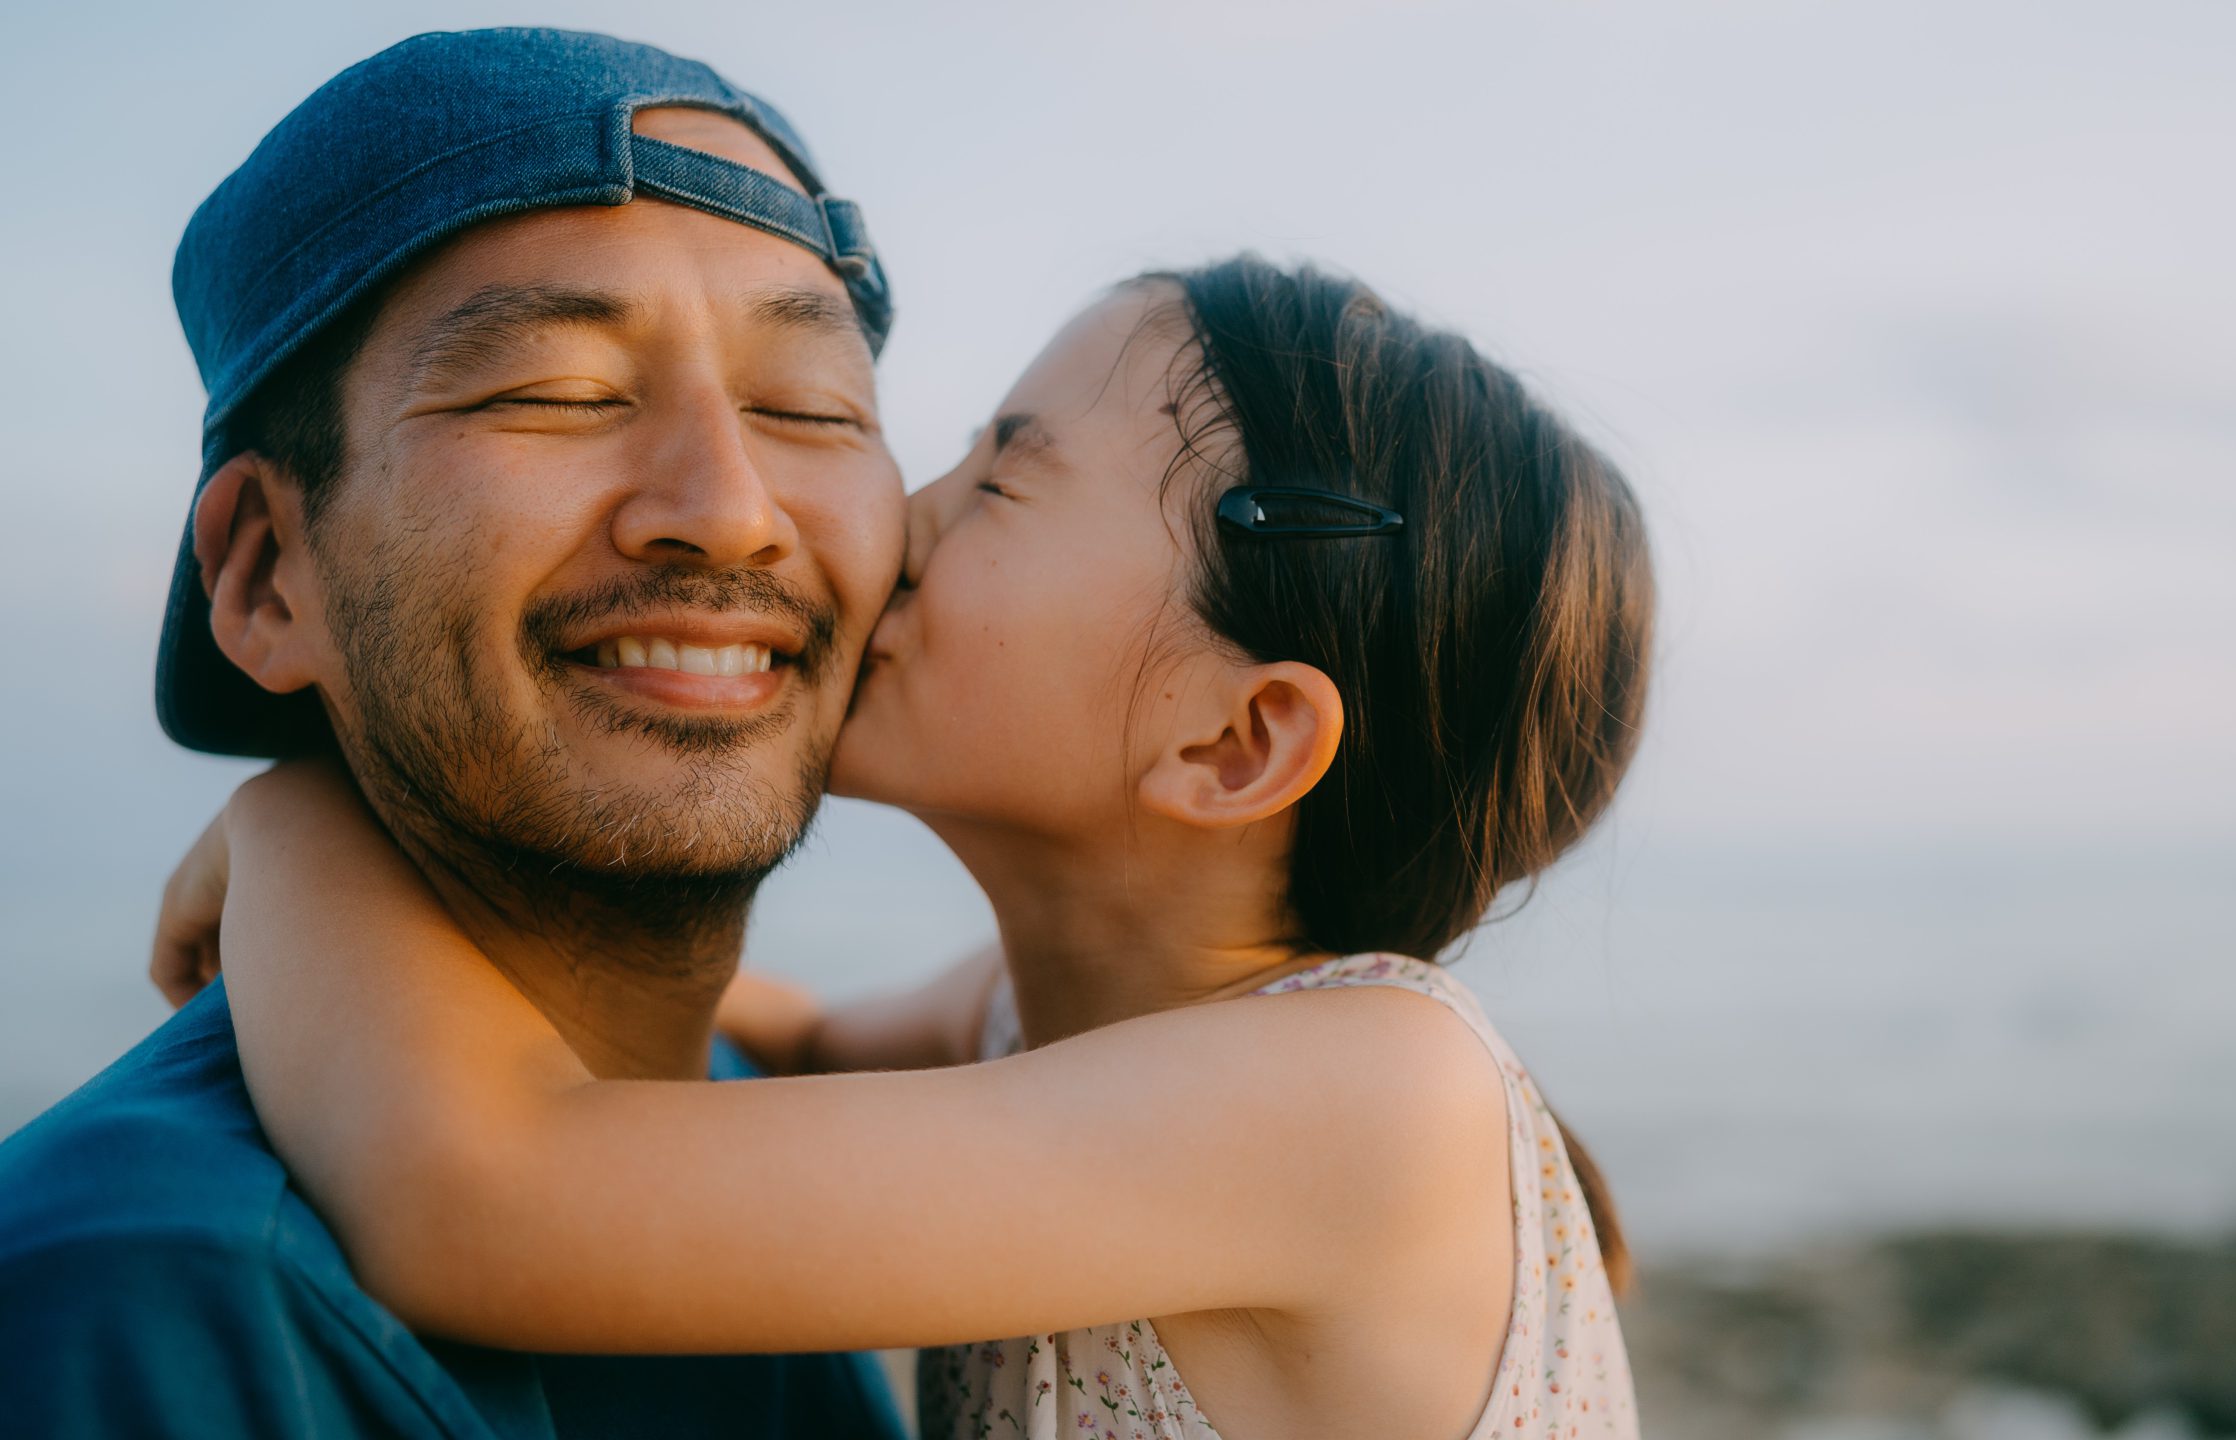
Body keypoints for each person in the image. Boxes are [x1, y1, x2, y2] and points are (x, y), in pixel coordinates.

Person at [170, 256, 1656, 1438]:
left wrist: (304, 818)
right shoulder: (1028, 1019)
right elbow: (804, 1040)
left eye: (1000, 481)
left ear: (1231, 745)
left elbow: (482, 1201)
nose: (893, 518)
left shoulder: (1372, 1099)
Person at [0, 29, 907, 1438]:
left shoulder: (741, 1108)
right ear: (261, 575)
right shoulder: (151, 1301)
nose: (730, 508)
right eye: (554, 391)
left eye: (811, 408)